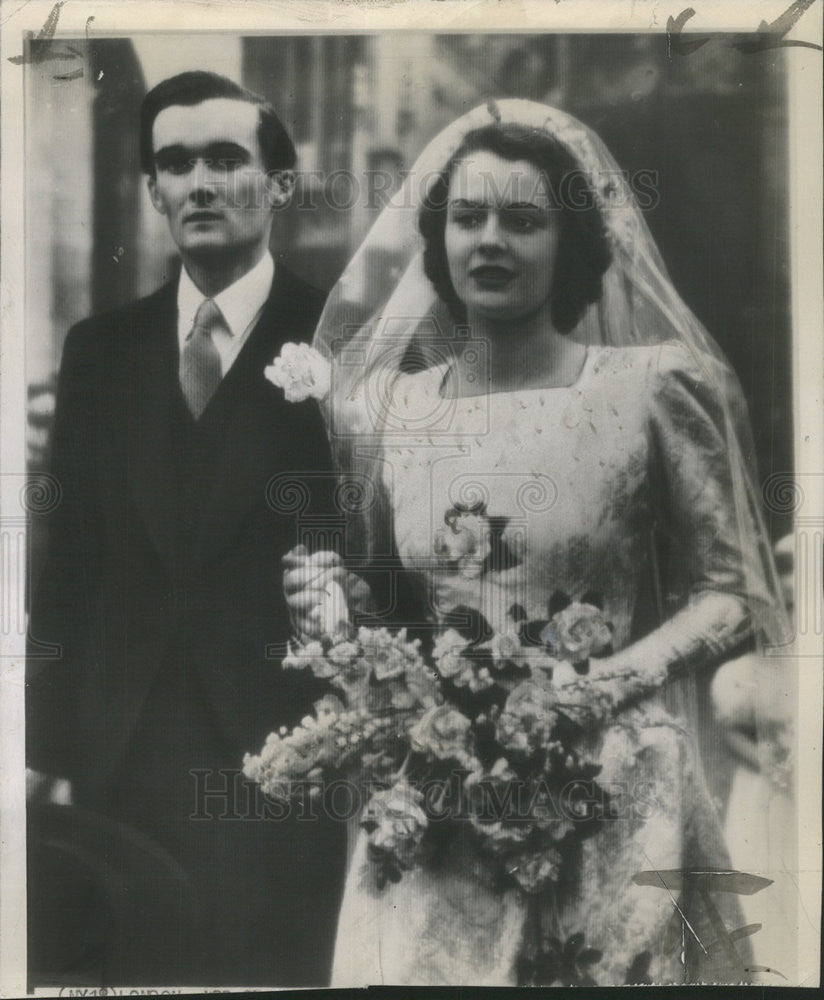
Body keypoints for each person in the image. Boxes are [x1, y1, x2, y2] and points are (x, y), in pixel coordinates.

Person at [289, 101, 794, 986]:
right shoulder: (393, 412)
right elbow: (383, 600)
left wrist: (607, 685)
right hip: (440, 802)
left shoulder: (649, 389)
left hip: (613, 792)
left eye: (524, 220)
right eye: (467, 218)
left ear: (572, 244)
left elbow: (736, 588)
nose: (491, 241)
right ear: (437, 239)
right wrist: (331, 603)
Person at [26, 71, 345, 986]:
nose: (198, 183)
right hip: (122, 756)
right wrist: (43, 751)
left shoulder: (341, 339)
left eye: (224, 158)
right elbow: (72, 565)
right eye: (174, 164)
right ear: (154, 192)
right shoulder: (100, 349)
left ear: (279, 184)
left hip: (284, 755)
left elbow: (379, 548)